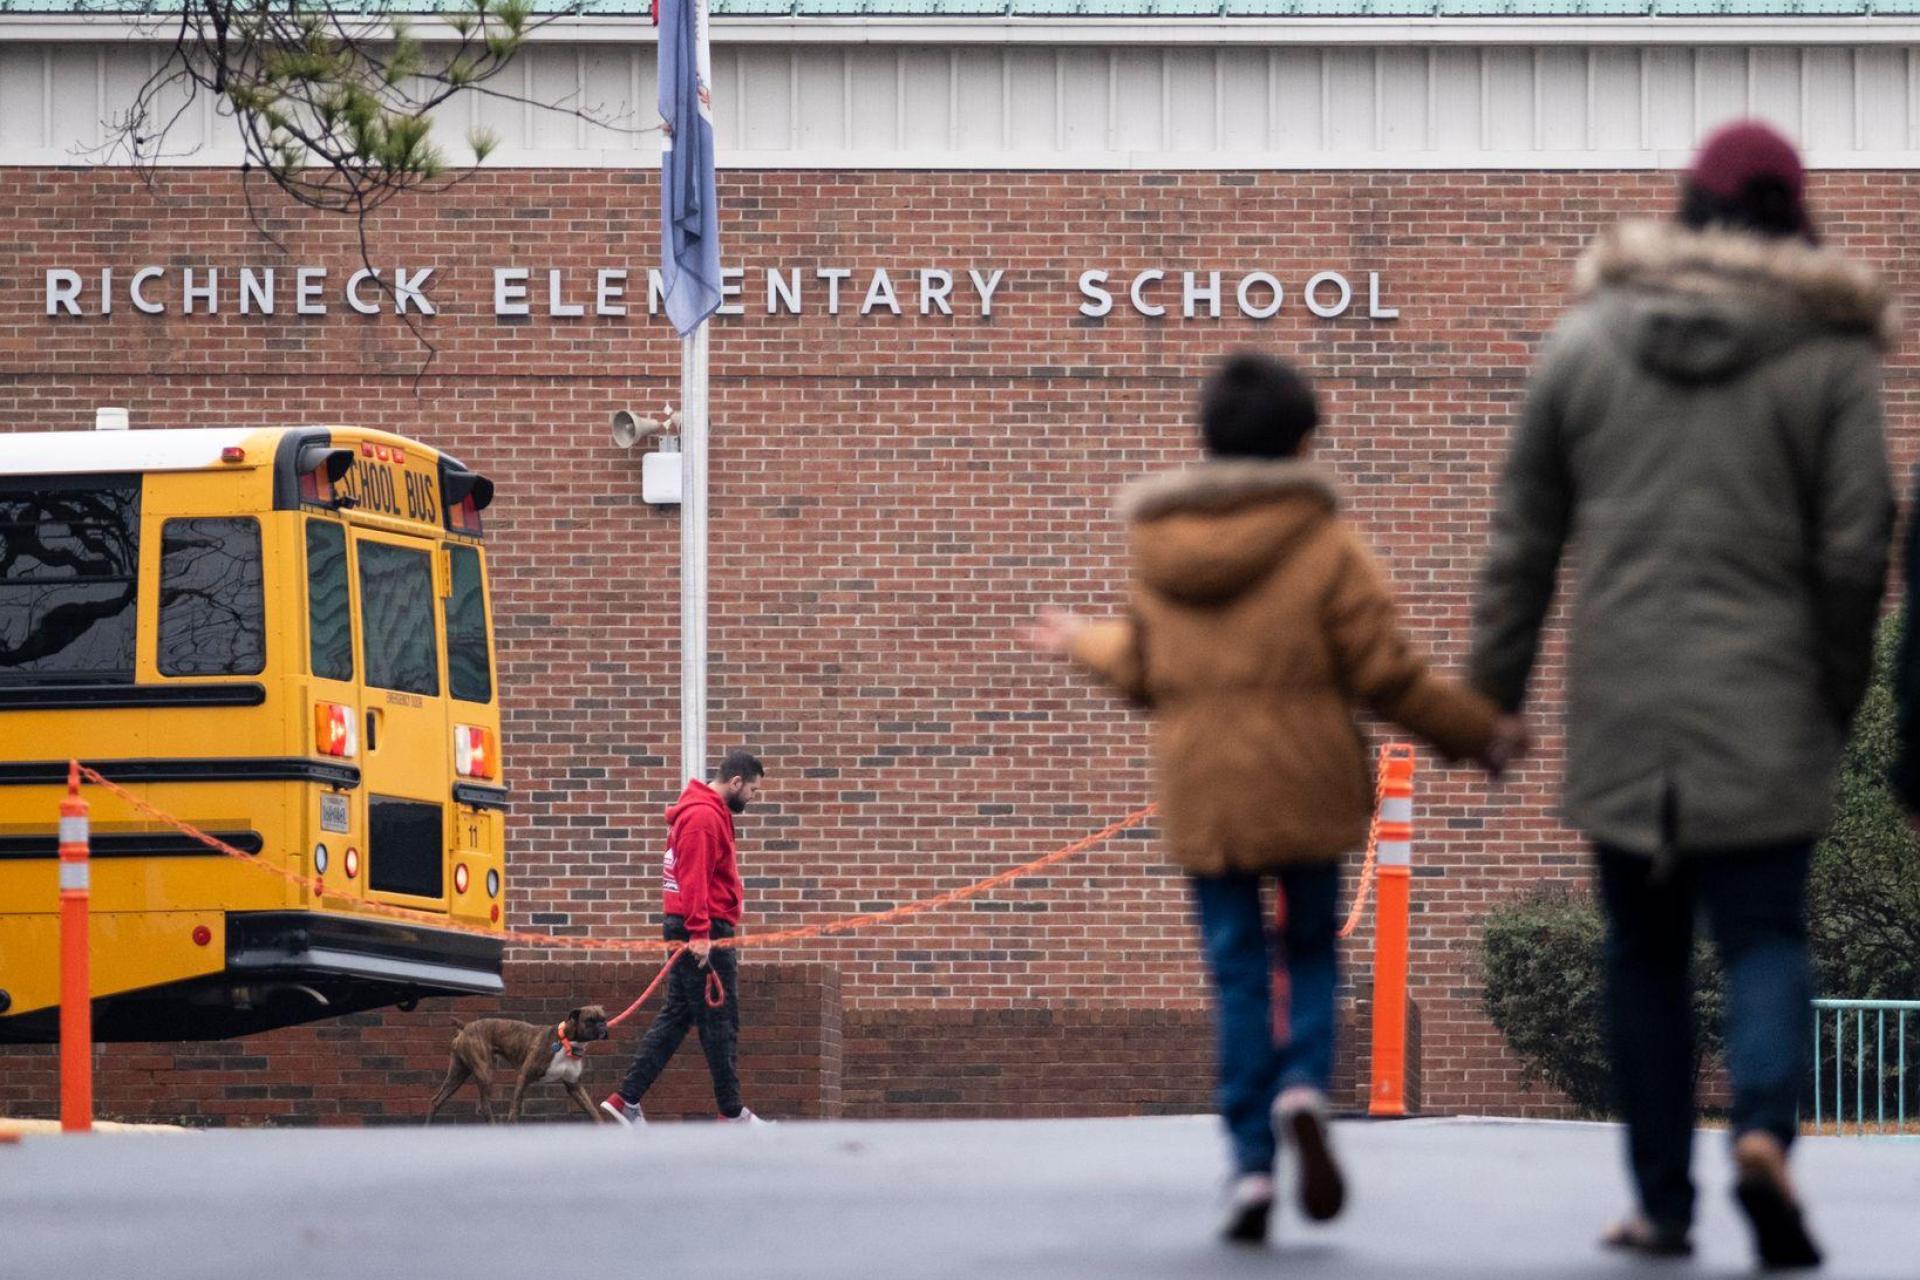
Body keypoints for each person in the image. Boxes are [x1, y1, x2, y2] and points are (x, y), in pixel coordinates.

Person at [1470, 120, 1894, 1269]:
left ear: (1685, 212)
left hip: (1628, 711)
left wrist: (1491, 700)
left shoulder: (1589, 341)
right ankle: (1761, 1127)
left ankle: (1662, 1202)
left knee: (1642, 953)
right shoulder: (1827, 356)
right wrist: (1837, 689)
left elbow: (1524, 538)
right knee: (1763, 932)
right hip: (1770, 703)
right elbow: (1861, 550)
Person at [1031, 351, 1523, 1245]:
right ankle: (1303, 1084)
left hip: (1205, 792)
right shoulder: (1326, 543)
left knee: (1236, 971)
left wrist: (1079, 640)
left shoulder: (1161, 547)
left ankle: (1252, 1166)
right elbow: (1386, 673)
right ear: (1303, 442)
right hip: (1307, 786)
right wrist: (1475, 732)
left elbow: (1146, 668)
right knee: (1310, 948)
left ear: (1205, 442)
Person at [602, 749, 773, 1126]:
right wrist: (700, 933)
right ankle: (732, 1113)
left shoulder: (705, 812)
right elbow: (692, 877)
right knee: (721, 1021)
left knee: (678, 1015)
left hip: (697, 927)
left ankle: (624, 1099)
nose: (754, 798)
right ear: (736, 782)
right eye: (754, 791)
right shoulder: (702, 817)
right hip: (702, 931)